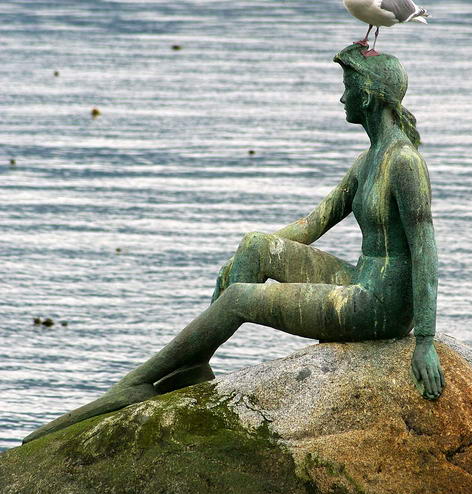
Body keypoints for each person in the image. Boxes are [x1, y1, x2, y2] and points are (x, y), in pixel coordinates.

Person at [25, 44, 444, 443]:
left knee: (242, 299)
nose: (341, 99)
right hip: (361, 279)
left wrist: (424, 340)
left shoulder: (404, 162)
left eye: (347, 89)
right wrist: (248, 252)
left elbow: (426, 248)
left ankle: (136, 382)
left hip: (379, 306)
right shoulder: (368, 159)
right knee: (257, 246)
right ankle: (192, 367)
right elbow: (312, 224)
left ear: (368, 98)